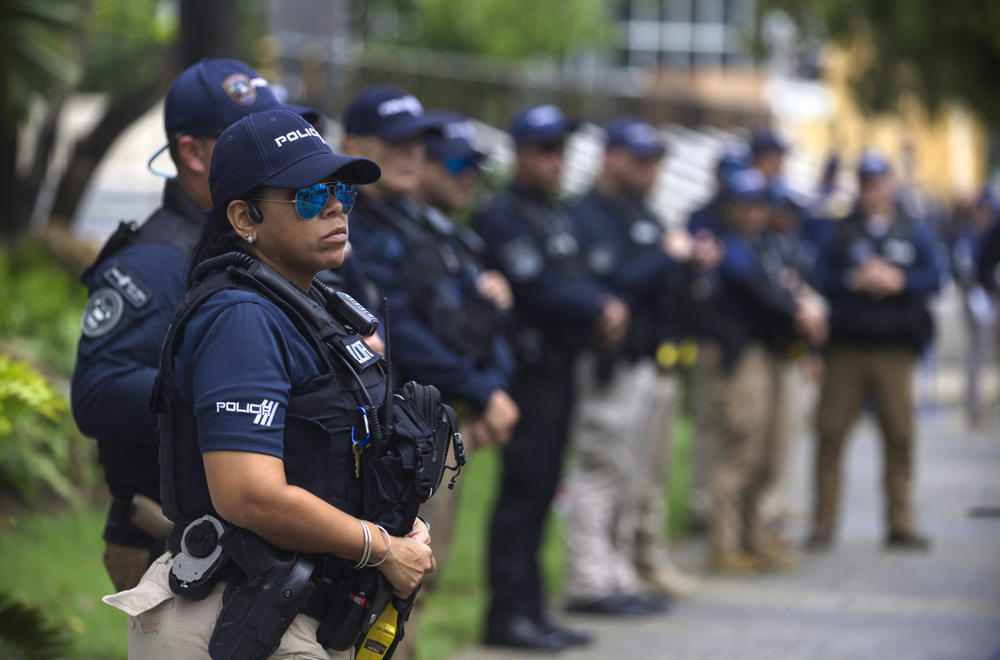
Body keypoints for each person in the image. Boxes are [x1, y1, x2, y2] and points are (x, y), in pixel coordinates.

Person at [103, 108, 437, 658]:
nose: (334, 206)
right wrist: (382, 548)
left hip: (291, 613)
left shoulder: (307, 305)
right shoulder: (241, 317)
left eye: (340, 192)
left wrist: (400, 526)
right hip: (233, 618)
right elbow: (250, 494)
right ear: (244, 217)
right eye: (307, 196)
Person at [71, 58, 320, 592]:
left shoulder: (256, 250)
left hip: (255, 542)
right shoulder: (152, 261)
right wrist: (233, 394)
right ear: (191, 152)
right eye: (246, 139)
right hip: (172, 544)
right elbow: (97, 391)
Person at [475, 104, 628, 650]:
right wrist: (599, 307)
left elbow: (577, 278)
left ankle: (533, 608)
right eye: (545, 150)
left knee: (542, 493)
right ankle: (507, 613)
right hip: (527, 372)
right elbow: (538, 286)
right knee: (522, 493)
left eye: (562, 150)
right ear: (518, 153)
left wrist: (597, 303)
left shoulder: (554, 214)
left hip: (560, 370)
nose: (556, 161)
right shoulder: (502, 215)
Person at [566, 117, 705, 611]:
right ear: (610, 158)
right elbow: (616, 279)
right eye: (639, 159)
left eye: (654, 160)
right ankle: (589, 580)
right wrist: (669, 256)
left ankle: (617, 575)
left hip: (647, 361)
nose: (650, 170)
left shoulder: (642, 211)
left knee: (632, 476)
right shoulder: (589, 214)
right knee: (602, 470)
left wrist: (688, 263)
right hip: (611, 364)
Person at [809, 150, 942, 551]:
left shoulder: (911, 229)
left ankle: (900, 520)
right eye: (865, 183)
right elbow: (817, 274)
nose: (872, 191)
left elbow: (937, 273)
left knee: (900, 435)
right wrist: (853, 278)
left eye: (879, 182)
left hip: (894, 348)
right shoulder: (839, 230)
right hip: (847, 347)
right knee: (831, 434)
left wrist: (901, 280)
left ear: (891, 184)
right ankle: (823, 522)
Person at [708, 168, 827, 574]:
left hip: (775, 353)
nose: (755, 212)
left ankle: (752, 534)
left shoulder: (768, 245)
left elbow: (786, 286)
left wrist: (797, 302)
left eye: (761, 203)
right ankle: (724, 544)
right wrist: (797, 308)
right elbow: (761, 294)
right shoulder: (734, 247)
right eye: (747, 204)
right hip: (745, 356)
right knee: (743, 450)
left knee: (770, 454)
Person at [951, 190, 998, 428]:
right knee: (977, 353)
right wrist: (978, 295)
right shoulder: (969, 234)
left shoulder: (991, 232)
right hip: (975, 296)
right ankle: (974, 407)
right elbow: (965, 268)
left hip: (990, 294)